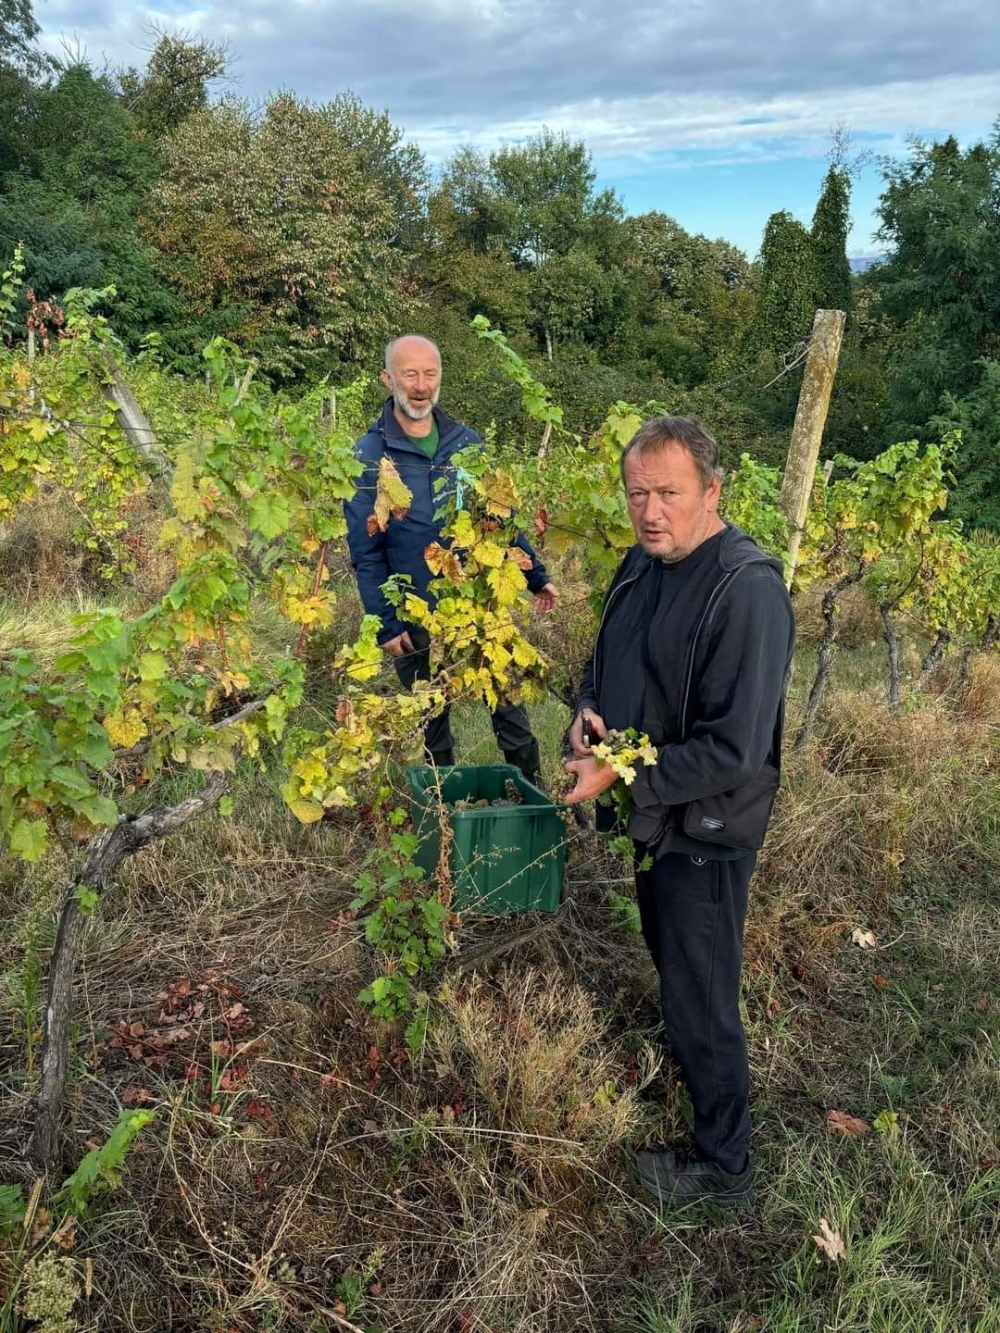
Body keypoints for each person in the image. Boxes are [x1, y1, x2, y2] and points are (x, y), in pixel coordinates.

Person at [563, 415, 794, 1208]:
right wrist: (587, 711)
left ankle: (724, 1165)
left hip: (708, 828)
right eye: (637, 493)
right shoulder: (640, 565)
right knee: (677, 970)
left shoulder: (748, 589)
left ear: (712, 492)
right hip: (654, 814)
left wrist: (614, 770)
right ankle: (696, 1083)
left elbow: (734, 749)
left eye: (669, 493)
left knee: (702, 993)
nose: (650, 510)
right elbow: (600, 662)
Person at [345, 334, 559, 783]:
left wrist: (535, 575)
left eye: (430, 374)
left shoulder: (467, 444)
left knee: (510, 711)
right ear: (388, 379)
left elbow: (498, 519)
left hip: (480, 606)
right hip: (413, 610)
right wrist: (386, 622)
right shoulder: (367, 457)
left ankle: (532, 796)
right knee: (432, 719)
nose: (420, 386)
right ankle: (443, 815)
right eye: (409, 375)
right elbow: (365, 553)